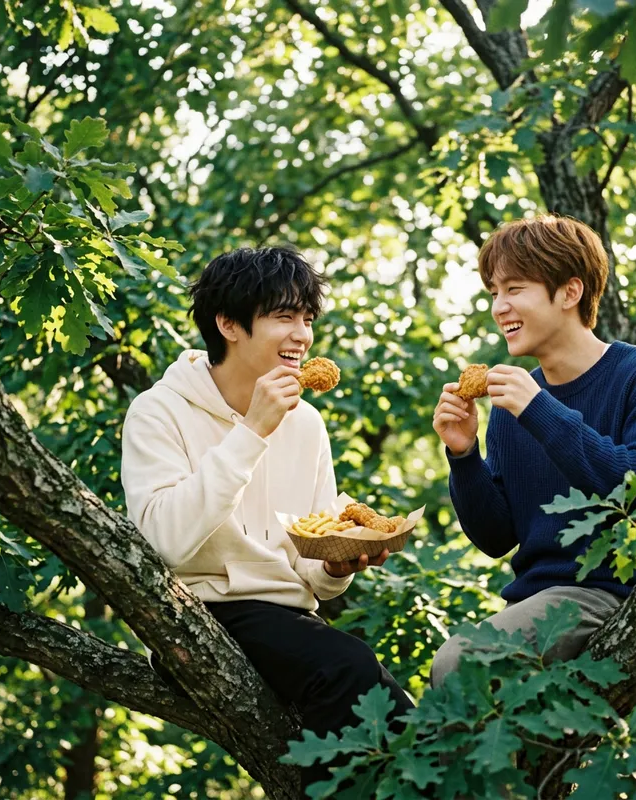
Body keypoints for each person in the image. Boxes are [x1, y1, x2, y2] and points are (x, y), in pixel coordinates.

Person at [120, 246, 413, 795]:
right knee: (350, 666)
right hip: (204, 614)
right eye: (284, 316)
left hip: (292, 625)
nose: (302, 335)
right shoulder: (158, 411)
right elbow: (164, 544)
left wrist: (343, 562)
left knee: (411, 726)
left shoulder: (308, 424)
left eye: (307, 318)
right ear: (228, 324)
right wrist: (251, 431)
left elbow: (313, 571)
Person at [430, 215, 636, 685]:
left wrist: (541, 412)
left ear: (570, 293)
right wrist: (464, 456)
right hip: (532, 608)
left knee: (457, 665)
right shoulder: (513, 406)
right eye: (493, 292)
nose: (499, 306)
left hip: (610, 594)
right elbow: (495, 537)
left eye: (515, 288)